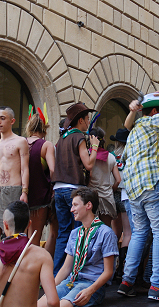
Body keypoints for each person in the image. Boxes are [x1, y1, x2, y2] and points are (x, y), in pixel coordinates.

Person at [118, 91, 159, 300]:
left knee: (139, 233)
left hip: (133, 190)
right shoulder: (152, 123)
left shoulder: (135, 132)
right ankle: (156, 286)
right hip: (151, 186)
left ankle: (127, 281)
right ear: (155, 112)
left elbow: (127, 128)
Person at [37, 187, 118, 307]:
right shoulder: (75, 233)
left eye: (75, 205)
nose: (71, 209)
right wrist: (51, 289)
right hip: (71, 281)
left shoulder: (106, 233)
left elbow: (108, 272)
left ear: (88, 205)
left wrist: (90, 291)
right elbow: (66, 268)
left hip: (90, 285)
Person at [52, 103, 99, 274]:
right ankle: (73, 273)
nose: (88, 122)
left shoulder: (62, 138)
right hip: (74, 191)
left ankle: (56, 274)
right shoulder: (79, 136)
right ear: (80, 120)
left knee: (63, 233)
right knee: (77, 233)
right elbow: (88, 164)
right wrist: (94, 146)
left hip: (58, 189)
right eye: (87, 119)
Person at [0, 106, 30, 252]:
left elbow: (25, 169)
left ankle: (12, 267)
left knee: (14, 233)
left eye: (2, 118)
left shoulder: (20, 141)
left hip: (14, 190)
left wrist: (24, 191)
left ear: (12, 121)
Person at [26, 111, 55, 247]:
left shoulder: (21, 143)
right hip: (39, 197)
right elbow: (53, 169)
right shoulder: (46, 145)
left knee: (19, 238)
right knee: (34, 239)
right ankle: (32, 268)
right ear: (44, 128)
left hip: (20, 197)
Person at [87, 127, 121, 234]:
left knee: (90, 232)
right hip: (107, 197)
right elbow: (118, 180)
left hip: (91, 198)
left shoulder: (87, 157)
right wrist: (112, 189)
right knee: (104, 231)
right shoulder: (111, 157)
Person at [110, 128, 132, 278]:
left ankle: (109, 267)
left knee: (114, 233)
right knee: (128, 233)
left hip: (112, 194)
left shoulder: (111, 156)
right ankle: (121, 270)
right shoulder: (129, 155)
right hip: (125, 194)